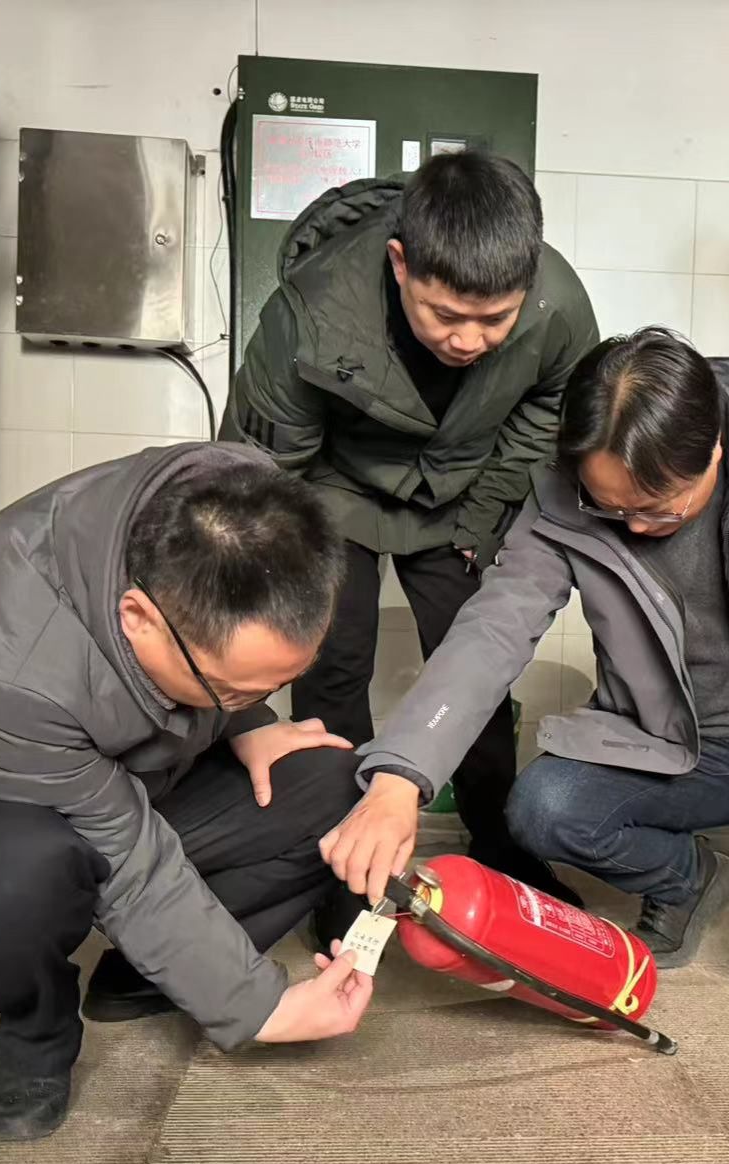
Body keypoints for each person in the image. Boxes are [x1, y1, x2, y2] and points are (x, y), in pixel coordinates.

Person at [320, 329, 729, 1069]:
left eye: (656, 509)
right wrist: (400, 776)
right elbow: (492, 632)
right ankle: (688, 881)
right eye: (610, 507)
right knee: (542, 808)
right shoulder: (559, 496)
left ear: (714, 450)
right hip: (676, 753)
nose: (631, 527)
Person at [0, 445, 376, 1141]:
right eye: (235, 688)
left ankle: (144, 975)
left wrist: (246, 720)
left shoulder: (242, 500)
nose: (258, 698)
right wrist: (258, 1006)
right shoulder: (1, 670)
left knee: (333, 780)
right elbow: (124, 852)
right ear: (138, 617)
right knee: (17, 875)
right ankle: (35, 1025)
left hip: (129, 782)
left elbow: (219, 658)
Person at [222, 150, 599, 905]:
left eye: (495, 320)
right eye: (445, 315)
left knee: (475, 665)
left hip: (462, 494)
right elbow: (258, 476)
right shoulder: (309, 313)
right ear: (401, 264)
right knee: (333, 665)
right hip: (331, 491)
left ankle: (499, 842)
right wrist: (286, 567)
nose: (469, 340)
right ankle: (338, 859)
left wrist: (486, 512)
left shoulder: (557, 305)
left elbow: (551, 410)